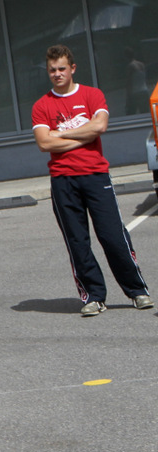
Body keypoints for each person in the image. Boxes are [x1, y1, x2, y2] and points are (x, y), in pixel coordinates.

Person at [31, 44, 152, 317]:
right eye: (52, 70)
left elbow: (100, 126)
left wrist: (59, 135)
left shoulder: (92, 95)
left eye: (62, 68)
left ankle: (137, 291)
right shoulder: (41, 106)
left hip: (96, 176)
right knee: (77, 242)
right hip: (63, 180)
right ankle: (93, 296)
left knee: (113, 236)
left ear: (72, 68)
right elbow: (43, 143)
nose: (57, 74)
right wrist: (83, 137)